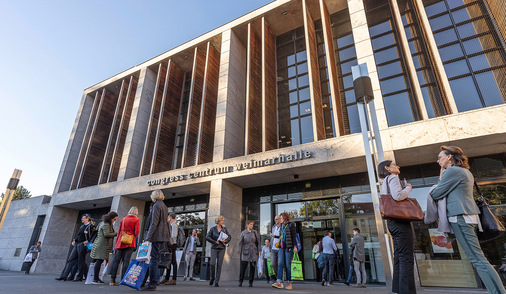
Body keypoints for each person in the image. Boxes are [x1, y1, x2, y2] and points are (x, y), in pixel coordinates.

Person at [430, 146, 506, 294]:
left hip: (461, 217)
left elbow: (436, 193)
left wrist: (440, 178)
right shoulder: (465, 171)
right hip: (469, 217)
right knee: (479, 258)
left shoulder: (451, 171)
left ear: (449, 157)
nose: (438, 160)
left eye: (440, 157)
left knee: (477, 259)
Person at [379, 160, 416, 294]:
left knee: (399, 256)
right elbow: (398, 196)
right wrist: (408, 188)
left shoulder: (385, 181)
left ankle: (399, 289)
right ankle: (407, 291)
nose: (398, 166)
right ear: (387, 168)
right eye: (395, 165)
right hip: (400, 221)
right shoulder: (393, 177)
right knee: (406, 257)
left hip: (392, 222)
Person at [142, 189, 170, 291]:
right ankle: (153, 281)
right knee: (155, 259)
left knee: (153, 259)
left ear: (154, 196)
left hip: (157, 236)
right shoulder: (164, 206)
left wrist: (147, 238)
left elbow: (154, 223)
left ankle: (152, 284)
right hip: (163, 236)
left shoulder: (156, 206)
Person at [56, 213, 96, 282]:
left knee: (81, 261)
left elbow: (94, 235)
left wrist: (88, 241)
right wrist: (74, 240)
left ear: (87, 218)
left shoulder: (91, 226)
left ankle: (79, 277)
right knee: (70, 259)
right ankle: (63, 276)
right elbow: (78, 235)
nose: (81, 219)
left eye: (83, 218)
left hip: (83, 245)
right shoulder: (81, 226)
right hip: (77, 244)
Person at [109, 206, 140, 286]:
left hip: (121, 242)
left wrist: (116, 244)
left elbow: (119, 232)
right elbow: (137, 232)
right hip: (130, 242)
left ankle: (112, 280)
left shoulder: (124, 219)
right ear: (136, 212)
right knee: (126, 261)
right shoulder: (137, 220)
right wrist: (131, 235)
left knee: (116, 261)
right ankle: (123, 280)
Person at [90, 211, 118, 284]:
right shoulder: (106, 225)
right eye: (114, 219)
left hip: (99, 244)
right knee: (99, 261)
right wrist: (117, 233)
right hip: (102, 245)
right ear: (111, 218)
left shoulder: (102, 223)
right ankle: (95, 279)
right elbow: (107, 234)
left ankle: (95, 278)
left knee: (98, 261)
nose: (114, 221)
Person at [272, 212, 297, 290]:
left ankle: (289, 283)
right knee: (280, 264)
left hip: (288, 248)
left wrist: (295, 246)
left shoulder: (291, 225)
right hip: (281, 248)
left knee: (288, 266)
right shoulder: (281, 226)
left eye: (281, 218)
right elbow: (281, 236)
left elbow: (293, 236)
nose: (280, 219)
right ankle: (279, 282)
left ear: (285, 218)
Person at [206, 215, 231, 287]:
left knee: (219, 265)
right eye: (221, 220)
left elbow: (229, 237)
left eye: (223, 220)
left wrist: (225, 240)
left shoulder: (224, 229)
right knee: (212, 264)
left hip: (222, 248)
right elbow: (207, 237)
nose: (222, 222)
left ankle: (217, 281)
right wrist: (214, 242)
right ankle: (212, 278)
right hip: (214, 248)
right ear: (218, 221)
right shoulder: (212, 229)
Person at [237, 220, 261, 287]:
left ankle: (251, 282)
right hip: (245, 252)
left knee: (252, 268)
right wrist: (239, 250)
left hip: (253, 252)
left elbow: (258, 242)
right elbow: (240, 242)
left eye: (252, 224)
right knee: (243, 268)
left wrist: (259, 250)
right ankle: (240, 281)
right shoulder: (243, 233)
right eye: (250, 224)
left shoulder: (255, 232)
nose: (251, 226)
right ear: (247, 225)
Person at [163, 213, 179, 285]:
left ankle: (174, 279)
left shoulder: (174, 225)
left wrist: (170, 242)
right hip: (169, 244)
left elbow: (174, 235)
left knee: (173, 261)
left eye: (168, 217)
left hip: (172, 245)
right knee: (168, 261)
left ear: (171, 217)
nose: (168, 218)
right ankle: (167, 278)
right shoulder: (169, 225)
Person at [270, 215, 282, 281]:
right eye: (275, 219)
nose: (276, 220)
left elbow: (282, 236)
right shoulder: (273, 227)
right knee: (273, 264)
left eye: (277, 219)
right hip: (273, 248)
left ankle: (280, 279)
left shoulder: (282, 226)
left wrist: (274, 236)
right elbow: (272, 238)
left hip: (280, 248)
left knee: (280, 264)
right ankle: (278, 277)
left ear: (280, 219)